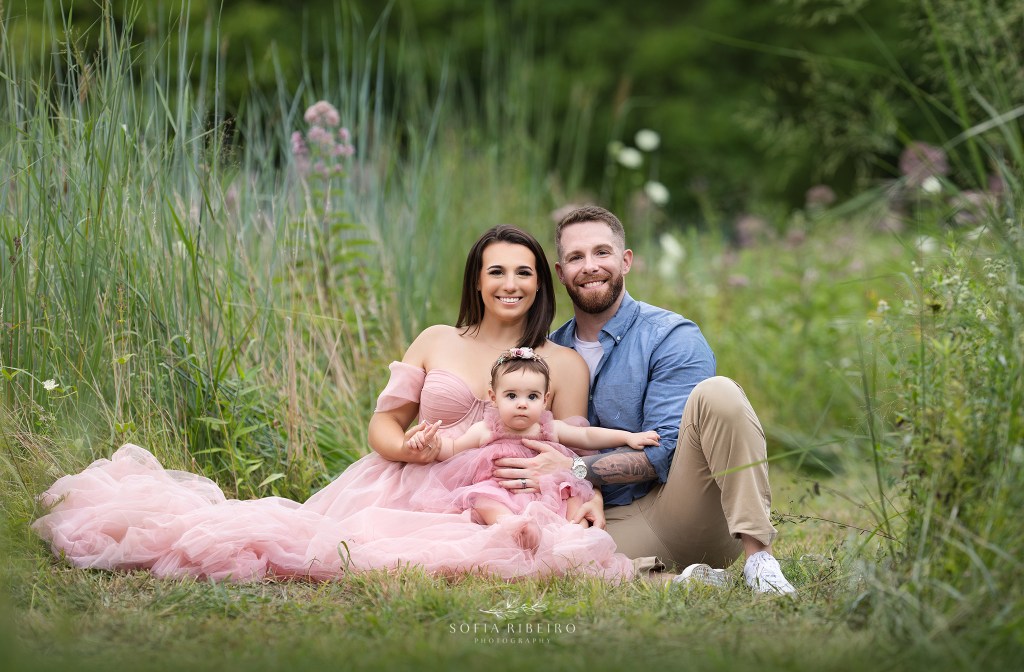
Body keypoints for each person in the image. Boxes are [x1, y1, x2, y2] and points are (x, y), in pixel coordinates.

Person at [31, 225, 634, 582]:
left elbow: (569, 444)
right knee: (328, 547)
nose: (510, 283)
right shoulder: (436, 340)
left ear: (540, 284)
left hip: (504, 494)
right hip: (409, 484)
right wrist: (415, 450)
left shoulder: (561, 363)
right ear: (476, 281)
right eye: (495, 270)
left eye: (524, 272)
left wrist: (590, 491)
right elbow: (383, 426)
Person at [491, 206, 797, 594]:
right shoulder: (546, 355)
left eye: (602, 252)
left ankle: (760, 561)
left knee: (718, 393)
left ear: (626, 260)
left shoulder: (670, 336)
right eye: (575, 257)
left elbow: (666, 452)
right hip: (605, 523)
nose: (590, 266)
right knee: (534, 558)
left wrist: (575, 468)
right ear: (560, 272)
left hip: (682, 507)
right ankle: (682, 582)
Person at [406, 347, 659, 552]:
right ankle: (511, 525)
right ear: (494, 398)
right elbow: (453, 449)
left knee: (571, 493)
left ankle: (574, 535)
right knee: (482, 498)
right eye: (512, 396)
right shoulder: (486, 429)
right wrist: (432, 444)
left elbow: (587, 435)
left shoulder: (549, 427)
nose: (522, 405)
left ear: (546, 399)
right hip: (500, 490)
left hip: (544, 489)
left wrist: (629, 436)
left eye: (532, 397)